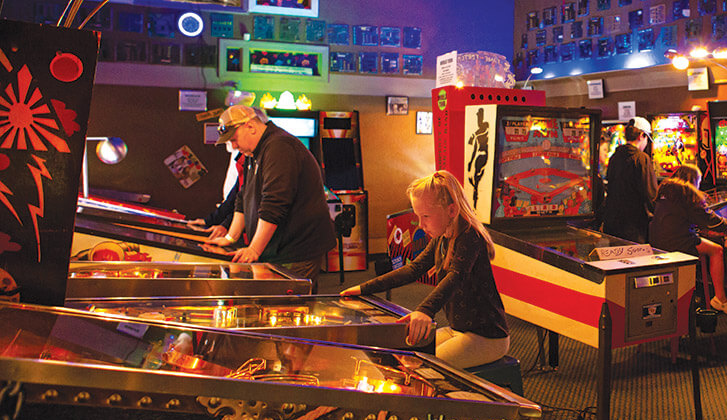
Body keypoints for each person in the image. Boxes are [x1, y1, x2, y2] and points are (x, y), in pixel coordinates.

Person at [340, 170, 509, 368]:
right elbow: (414, 269)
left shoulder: (470, 236)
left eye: (426, 216)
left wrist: (425, 311)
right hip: (459, 330)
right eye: (418, 217)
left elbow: (456, 276)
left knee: (420, 367)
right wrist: (363, 288)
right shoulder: (442, 236)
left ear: (452, 211)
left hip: (488, 337)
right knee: (403, 356)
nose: (421, 225)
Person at [202, 105, 336, 291]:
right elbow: (243, 197)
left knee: (289, 306)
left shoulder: (279, 147)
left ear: (250, 126)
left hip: (296, 249)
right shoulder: (253, 152)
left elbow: (274, 203)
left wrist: (254, 249)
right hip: (278, 247)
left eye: (234, 139)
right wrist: (230, 237)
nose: (233, 145)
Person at [649, 164, 727, 314]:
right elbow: (710, 220)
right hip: (677, 242)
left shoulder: (666, 190)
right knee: (717, 250)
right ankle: (720, 299)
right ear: (693, 181)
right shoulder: (688, 194)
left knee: (704, 242)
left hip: (657, 241)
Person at [600, 116, 657, 242]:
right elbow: (650, 194)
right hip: (633, 226)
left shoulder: (615, 156)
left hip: (613, 223)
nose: (646, 143)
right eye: (647, 138)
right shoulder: (641, 159)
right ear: (642, 135)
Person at [188, 142, 245, 237]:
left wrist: (226, 225)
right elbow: (237, 194)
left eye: (233, 139)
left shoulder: (256, 155)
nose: (233, 145)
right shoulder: (240, 154)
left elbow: (247, 200)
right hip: (235, 219)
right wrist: (212, 220)